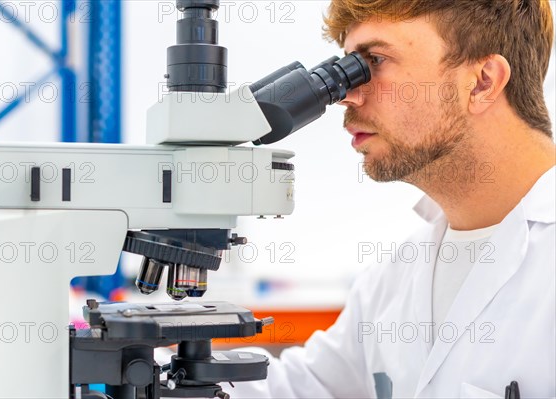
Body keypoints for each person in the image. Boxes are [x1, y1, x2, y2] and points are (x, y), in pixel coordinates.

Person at [226, 0, 556, 397]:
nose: (347, 96)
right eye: (348, 66)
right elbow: (302, 389)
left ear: (483, 81)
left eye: (375, 61)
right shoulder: (394, 279)